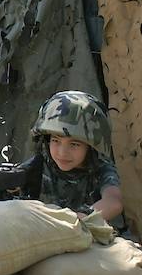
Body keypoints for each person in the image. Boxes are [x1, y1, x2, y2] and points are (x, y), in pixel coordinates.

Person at [19, 90, 124, 223]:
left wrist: (76, 219)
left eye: (74, 144)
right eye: (56, 141)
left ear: (91, 147)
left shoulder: (100, 168)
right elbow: (16, 178)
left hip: (87, 230)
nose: (62, 153)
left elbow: (113, 202)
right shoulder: (41, 163)